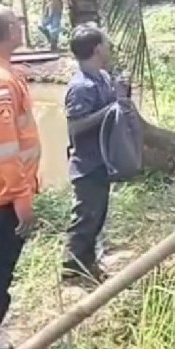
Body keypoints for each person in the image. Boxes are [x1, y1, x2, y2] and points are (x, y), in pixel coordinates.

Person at [0, 3, 41, 349]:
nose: (21, 28)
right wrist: (22, 198)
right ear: (7, 32)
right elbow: (5, 149)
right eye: (17, 23)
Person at [62, 24, 118, 283]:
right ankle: (71, 268)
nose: (110, 48)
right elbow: (76, 126)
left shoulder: (102, 78)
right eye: (106, 44)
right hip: (87, 164)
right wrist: (110, 109)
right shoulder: (81, 86)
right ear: (97, 49)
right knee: (85, 217)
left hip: (102, 161)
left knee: (97, 216)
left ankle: (88, 265)